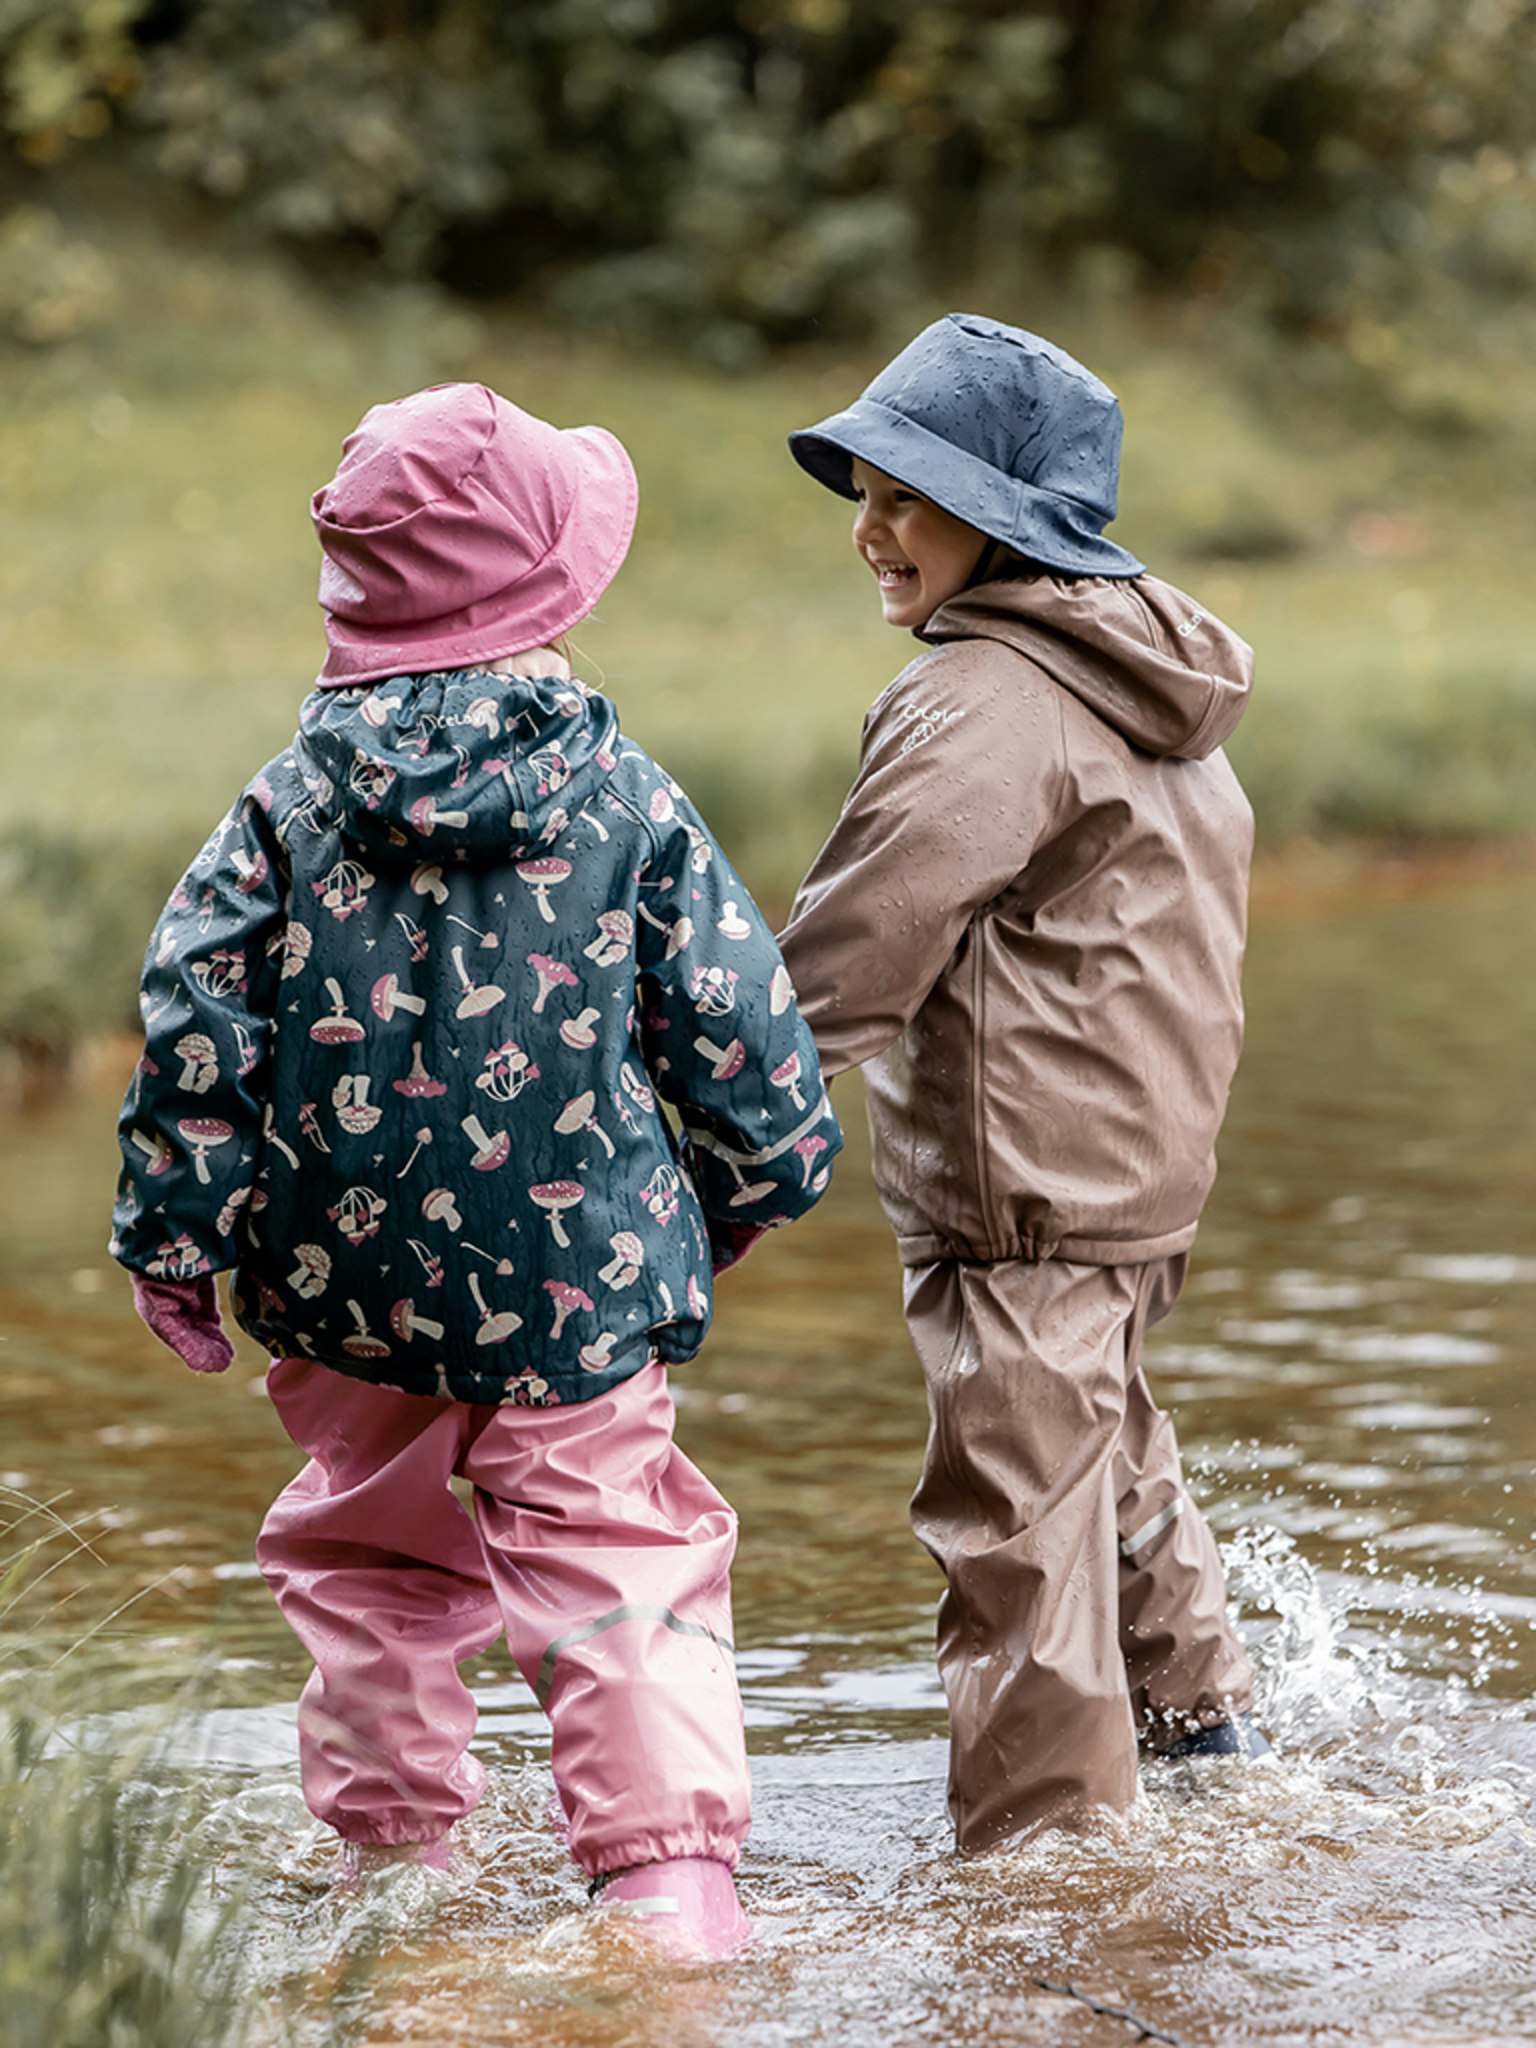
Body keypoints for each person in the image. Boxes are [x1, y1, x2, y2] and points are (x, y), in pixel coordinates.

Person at [109, 382, 842, 1953]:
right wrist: (747, 1192)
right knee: (613, 1557)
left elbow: (196, 1020)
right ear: (551, 594)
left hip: (339, 1288)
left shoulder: (285, 807)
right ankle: (664, 1898)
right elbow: (736, 1021)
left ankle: (393, 1878)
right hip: (577, 1286)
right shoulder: (624, 795)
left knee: (368, 1554)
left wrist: (175, 1238)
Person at [776, 314, 1267, 1857]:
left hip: (1024, 1203)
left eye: (903, 499)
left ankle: (1046, 1882)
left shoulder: (985, 696)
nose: (868, 531)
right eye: (861, 492)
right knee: (1111, 1472)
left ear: (998, 519)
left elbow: (859, 947)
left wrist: (709, 1123)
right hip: (1133, 1190)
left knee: (1013, 1546)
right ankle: (1214, 1760)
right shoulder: (1144, 672)